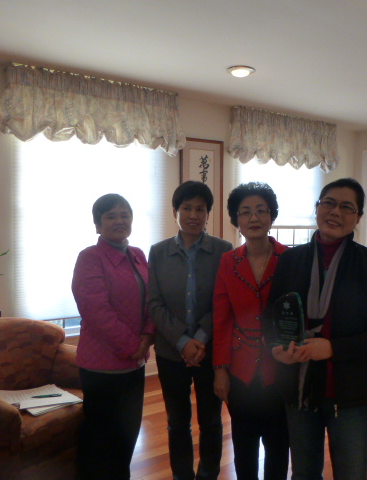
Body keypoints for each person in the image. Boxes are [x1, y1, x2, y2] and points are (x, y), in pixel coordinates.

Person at [265, 178, 367, 480]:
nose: (335, 212)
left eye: (346, 207)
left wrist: (332, 348)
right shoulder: (291, 260)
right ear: (317, 208)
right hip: (300, 389)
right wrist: (276, 348)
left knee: (350, 474)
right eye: (328, 203)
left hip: (351, 393)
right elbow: (272, 317)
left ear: (358, 217)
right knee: (303, 472)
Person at [148, 181, 233, 480]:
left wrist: (199, 339)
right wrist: (183, 341)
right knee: (177, 421)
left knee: (211, 420)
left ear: (208, 213)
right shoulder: (158, 252)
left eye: (200, 209)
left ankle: (208, 474)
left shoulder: (223, 250)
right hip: (171, 352)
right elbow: (154, 303)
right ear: (175, 211)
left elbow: (223, 302)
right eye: (186, 208)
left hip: (210, 352)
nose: (193, 215)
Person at [72, 193, 155, 480]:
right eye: (110, 216)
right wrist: (134, 346)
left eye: (124, 215)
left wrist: (147, 336)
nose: (119, 221)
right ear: (98, 225)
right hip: (102, 367)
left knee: (127, 435)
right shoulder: (90, 258)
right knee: (100, 439)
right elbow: (97, 312)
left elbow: (152, 300)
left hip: (134, 365)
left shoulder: (138, 255)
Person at [213, 182, 290, 480]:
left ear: (271, 216)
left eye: (261, 210)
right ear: (237, 219)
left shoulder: (290, 259)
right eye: (245, 212)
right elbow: (222, 319)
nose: (254, 218)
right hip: (241, 368)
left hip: (280, 367)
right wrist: (220, 370)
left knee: (278, 446)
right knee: (244, 448)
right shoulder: (228, 261)